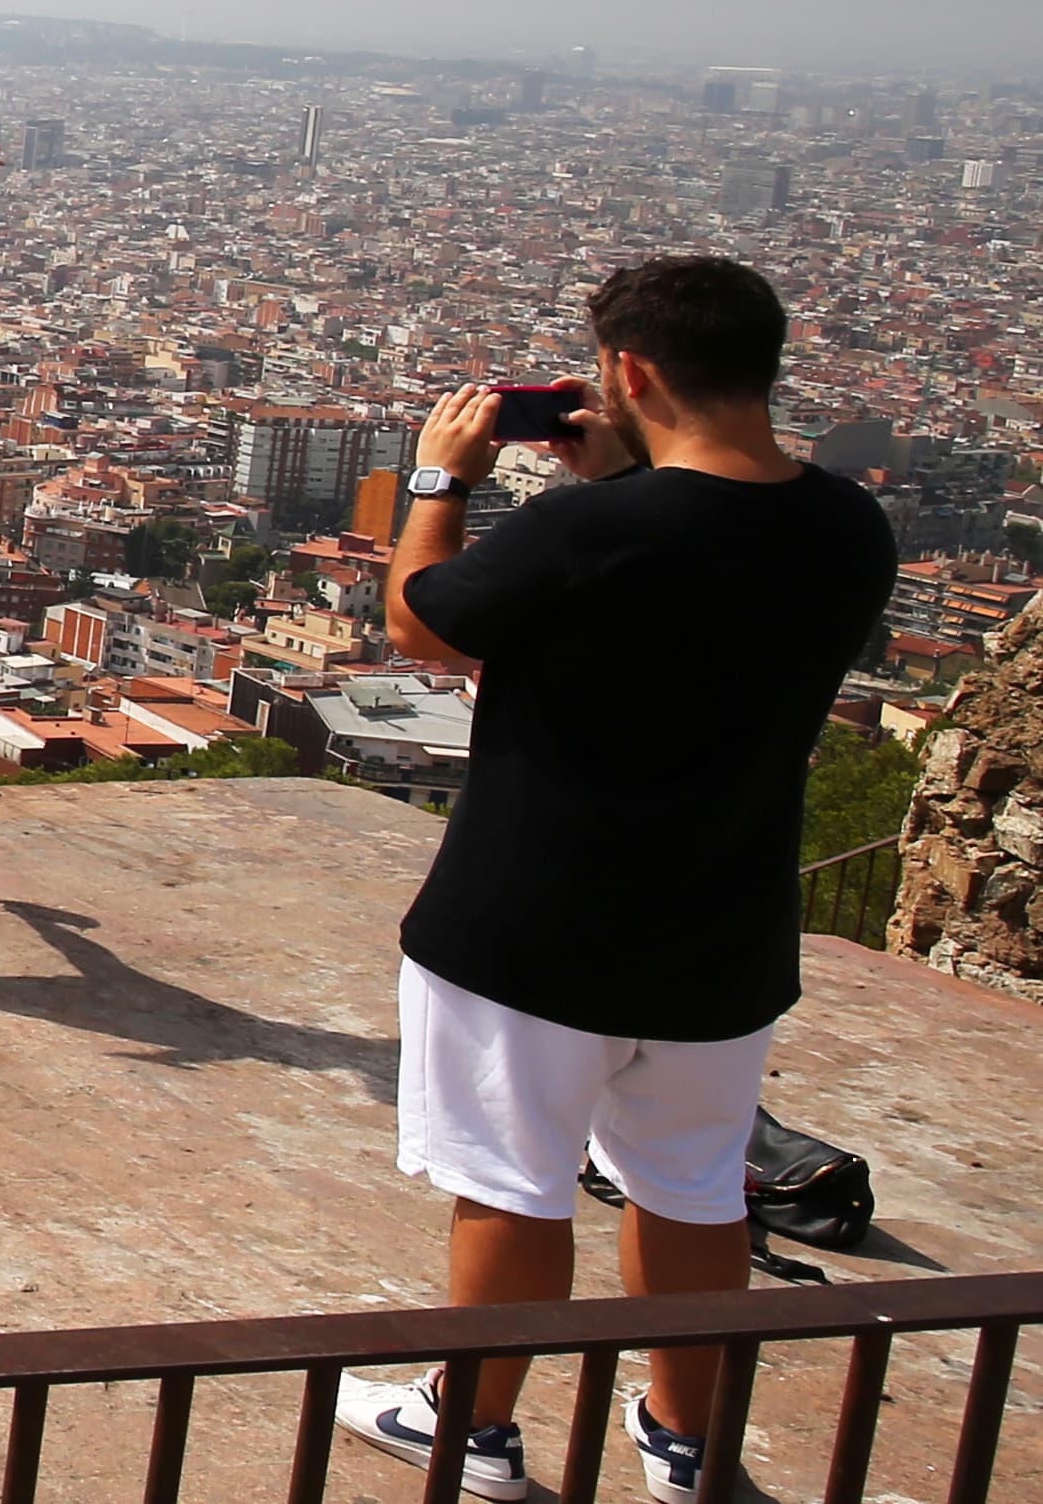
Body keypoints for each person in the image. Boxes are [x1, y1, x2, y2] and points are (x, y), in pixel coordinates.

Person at [333, 258, 898, 1502]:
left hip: (530, 918)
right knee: (692, 1189)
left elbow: (423, 618)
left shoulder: (592, 530)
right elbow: (697, 578)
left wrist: (442, 479)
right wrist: (626, 475)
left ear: (628, 373)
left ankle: (467, 1427)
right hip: (720, 923)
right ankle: (684, 1440)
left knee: (509, 1183)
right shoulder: (848, 525)